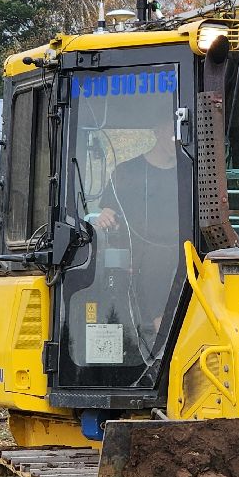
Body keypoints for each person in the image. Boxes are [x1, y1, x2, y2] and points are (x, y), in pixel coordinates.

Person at [93, 112, 180, 347]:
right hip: (139, 255)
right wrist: (105, 216)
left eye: (181, 132)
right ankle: (161, 336)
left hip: (182, 253)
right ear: (157, 131)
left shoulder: (189, 173)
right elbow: (108, 211)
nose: (177, 138)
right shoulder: (127, 172)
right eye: (172, 132)